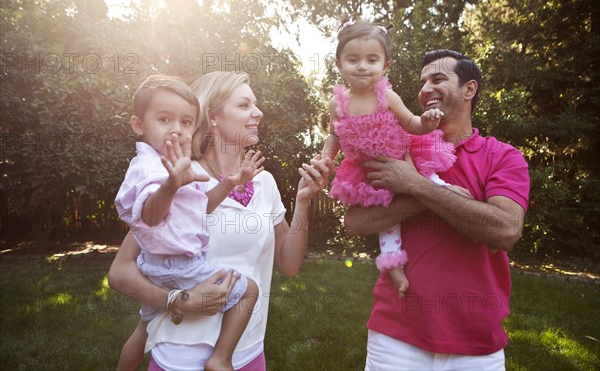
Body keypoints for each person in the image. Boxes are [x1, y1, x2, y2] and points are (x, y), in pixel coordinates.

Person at [108, 71, 335, 371]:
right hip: (181, 356)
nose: (258, 112)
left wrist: (303, 201)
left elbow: (289, 265)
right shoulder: (179, 178)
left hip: (249, 351)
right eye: (244, 105)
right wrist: (176, 299)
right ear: (212, 117)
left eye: (255, 104)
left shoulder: (264, 182)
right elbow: (120, 272)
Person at [344, 50, 530, 370]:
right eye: (422, 81)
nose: (425, 88)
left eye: (438, 79)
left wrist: (416, 185)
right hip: (396, 337)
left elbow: (505, 231)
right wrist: (424, 190)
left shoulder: (503, 156)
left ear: (469, 90)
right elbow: (355, 222)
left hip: (475, 344)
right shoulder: (397, 149)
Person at [114, 75, 264, 371]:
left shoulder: (174, 167)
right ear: (138, 125)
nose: (176, 130)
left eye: (185, 122)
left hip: (156, 266)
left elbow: (200, 207)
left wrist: (231, 184)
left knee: (144, 328)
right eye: (164, 119)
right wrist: (171, 185)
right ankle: (221, 358)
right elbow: (150, 216)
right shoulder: (152, 168)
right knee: (249, 290)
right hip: (179, 265)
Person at [322, 20, 456, 297]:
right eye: (353, 59)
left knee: (430, 183)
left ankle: (455, 200)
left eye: (372, 60)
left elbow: (411, 123)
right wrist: (325, 159)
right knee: (386, 220)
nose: (362, 66)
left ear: (385, 66)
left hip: (402, 157)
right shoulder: (338, 103)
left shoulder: (387, 97)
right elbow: (334, 136)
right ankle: (394, 265)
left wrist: (427, 123)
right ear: (339, 64)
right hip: (367, 172)